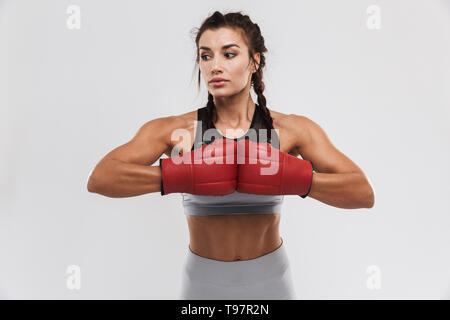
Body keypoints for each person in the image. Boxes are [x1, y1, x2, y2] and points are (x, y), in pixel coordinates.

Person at [87, 11, 375, 300]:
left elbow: (362, 192)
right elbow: (101, 178)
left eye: (229, 54)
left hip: (272, 280)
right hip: (202, 282)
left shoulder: (290, 130)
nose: (215, 66)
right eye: (206, 56)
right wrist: (181, 174)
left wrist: (298, 178)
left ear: (254, 61)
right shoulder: (177, 131)